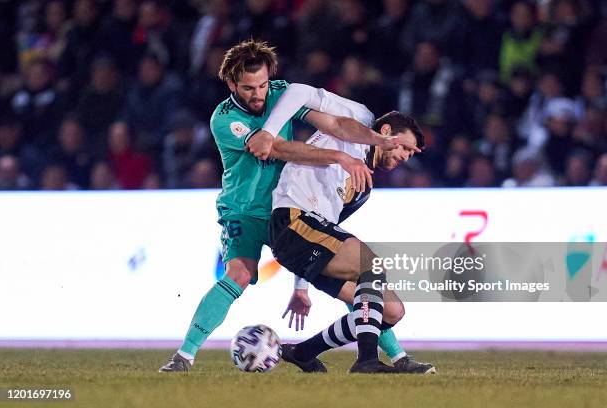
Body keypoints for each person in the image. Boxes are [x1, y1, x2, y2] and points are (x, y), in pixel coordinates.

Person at [159, 39, 417, 372]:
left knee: (357, 290)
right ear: (231, 84)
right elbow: (276, 149)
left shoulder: (280, 94)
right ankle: (184, 355)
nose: (258, 94)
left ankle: (395, 356)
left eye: (263, 85)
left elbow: (334, 124)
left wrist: (374, 140)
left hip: (291, 208)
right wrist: (338, 156)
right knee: (240, 273)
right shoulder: (224, 120)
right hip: (245, 210)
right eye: (249, 88)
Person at [260, 83, 434, 373]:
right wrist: (268, 133)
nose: (404, 156)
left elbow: (325, 232)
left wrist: (300, 287)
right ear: (386, 130)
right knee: (371, 266)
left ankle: (303, 352)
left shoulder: (363, 188)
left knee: (390, 311)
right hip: (291, 219)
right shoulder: (360, 118)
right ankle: (366, 361)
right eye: (404, 146)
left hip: (305, 238)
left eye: (410, 155)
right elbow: (300, 92)